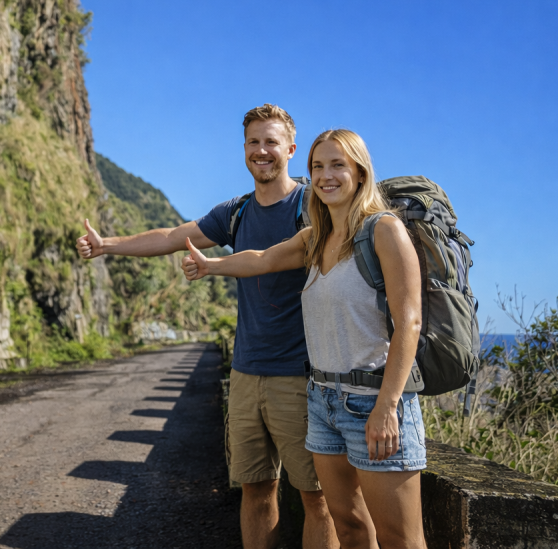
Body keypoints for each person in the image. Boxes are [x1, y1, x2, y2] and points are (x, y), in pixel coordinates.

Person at [77, 104, 338, 549]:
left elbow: (279, 260)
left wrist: (215, 266)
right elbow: (172, 236)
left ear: (291, 149)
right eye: (254, 142)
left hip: (299, 376)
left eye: (271, 142)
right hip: (245, 373)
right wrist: (107, 245)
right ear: (244, 149)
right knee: (256, 489)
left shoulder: (310, 205)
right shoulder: (235, 213)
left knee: (317, 498)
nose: (262, 151)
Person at [182, 128, 428, 549]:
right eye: (317, 166)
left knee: (400, 539)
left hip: (375, 400)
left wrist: (388, 406)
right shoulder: (315, 236)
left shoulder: (383, 230)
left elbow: (410, 323)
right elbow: (263, 259)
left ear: (360, 171)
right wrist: (210, 267)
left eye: (337, 165)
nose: (325, 175)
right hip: (322, 402)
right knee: (349, 528)